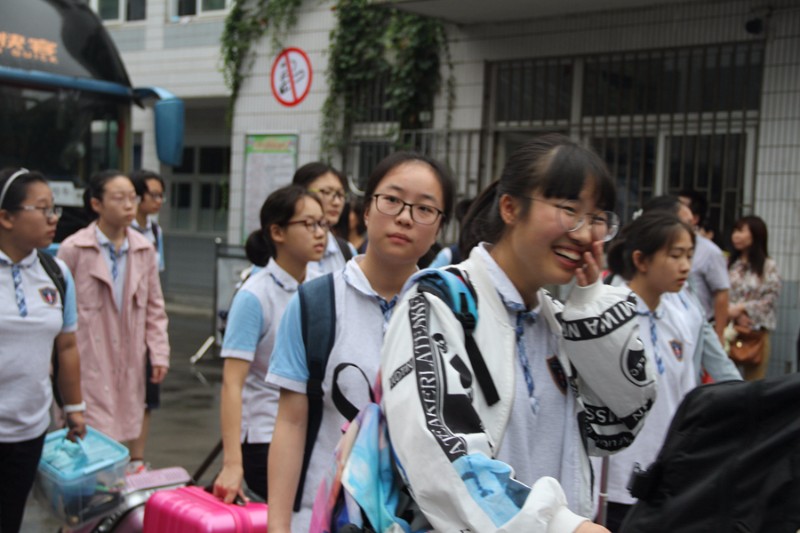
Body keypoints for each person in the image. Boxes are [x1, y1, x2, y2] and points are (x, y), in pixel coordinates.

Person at [380, 134, 657, 533]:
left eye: (597, 219)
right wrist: (560, 526)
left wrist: (591, 306)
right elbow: (441, 454)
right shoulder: (440, 304)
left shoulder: (562, 322)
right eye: (568, 210)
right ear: (510, 207)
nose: (583, 235)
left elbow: (619, 425)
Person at [266, 152, 455, 532]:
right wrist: (278, 526)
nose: (404, 217)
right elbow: (290, 423)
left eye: (424, 209)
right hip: (324, 518)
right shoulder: (313, 304)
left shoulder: (448, 312)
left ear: (439, 228)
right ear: (366, 210)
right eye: (392, 200)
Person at [599, 210, 740, 531]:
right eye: (676, 255)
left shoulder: (682, 319)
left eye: (690, 255)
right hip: (617, 483)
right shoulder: (608, 317)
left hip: (668, 478)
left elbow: (685, 397)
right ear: (641, 260)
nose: (686, 267)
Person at [212, 185, 327, 504]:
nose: (320, 234)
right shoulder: (254, 296)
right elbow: (232, 384)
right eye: (308, 224)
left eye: (323, 224)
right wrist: (232, 464)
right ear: (277, 231)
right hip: (264, 435)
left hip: (316, 431)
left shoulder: (325, 283)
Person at [57, 170, 169, 456]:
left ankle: (122, 475)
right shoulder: (74, 248)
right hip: (86, 354)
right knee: (87, 430)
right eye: (119, 198)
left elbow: (155, 306)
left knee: (122, 424)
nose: (129, 205)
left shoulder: (144, 250)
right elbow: (57, 309)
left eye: (133, 198)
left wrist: (158, 352)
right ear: (97, 204)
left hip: (129, 353)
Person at [0, 168, 86, 533]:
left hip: (30, 428)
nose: (53, 219)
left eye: (55, 210)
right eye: (42, 209)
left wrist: (75, 407)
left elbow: (66, 345)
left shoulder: (57, 273)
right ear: (5, 217)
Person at [128, 168, 167, 472]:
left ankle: (137, 459)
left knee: (147, 393)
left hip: (145, 321)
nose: (159, 201)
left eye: (161, 195)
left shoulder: (155, 232)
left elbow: (157, 282)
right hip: (120, 324)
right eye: (153, 194)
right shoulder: (119, 230)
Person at [728, 215, 781, 381]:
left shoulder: (768, 266)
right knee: (727, 381)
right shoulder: (728, 262)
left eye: (741, 231)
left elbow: (770, 298)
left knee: (755, 384)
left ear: (756, 234)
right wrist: (732, 313)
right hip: (729, 331)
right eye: (735, 231)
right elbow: (719, 292)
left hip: (756, 333)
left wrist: (741, 309)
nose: (735, 235)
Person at [678, 190, 730, 343]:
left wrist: (719, 334)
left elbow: (722, 292)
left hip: (699, 328)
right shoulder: (660, 246)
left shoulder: (710, 252)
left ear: (694, 218)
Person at [291, 162, 356, 274]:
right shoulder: (284, 250)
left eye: (340, 194)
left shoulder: (347, 251)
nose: (336, 202)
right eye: (326, 192)